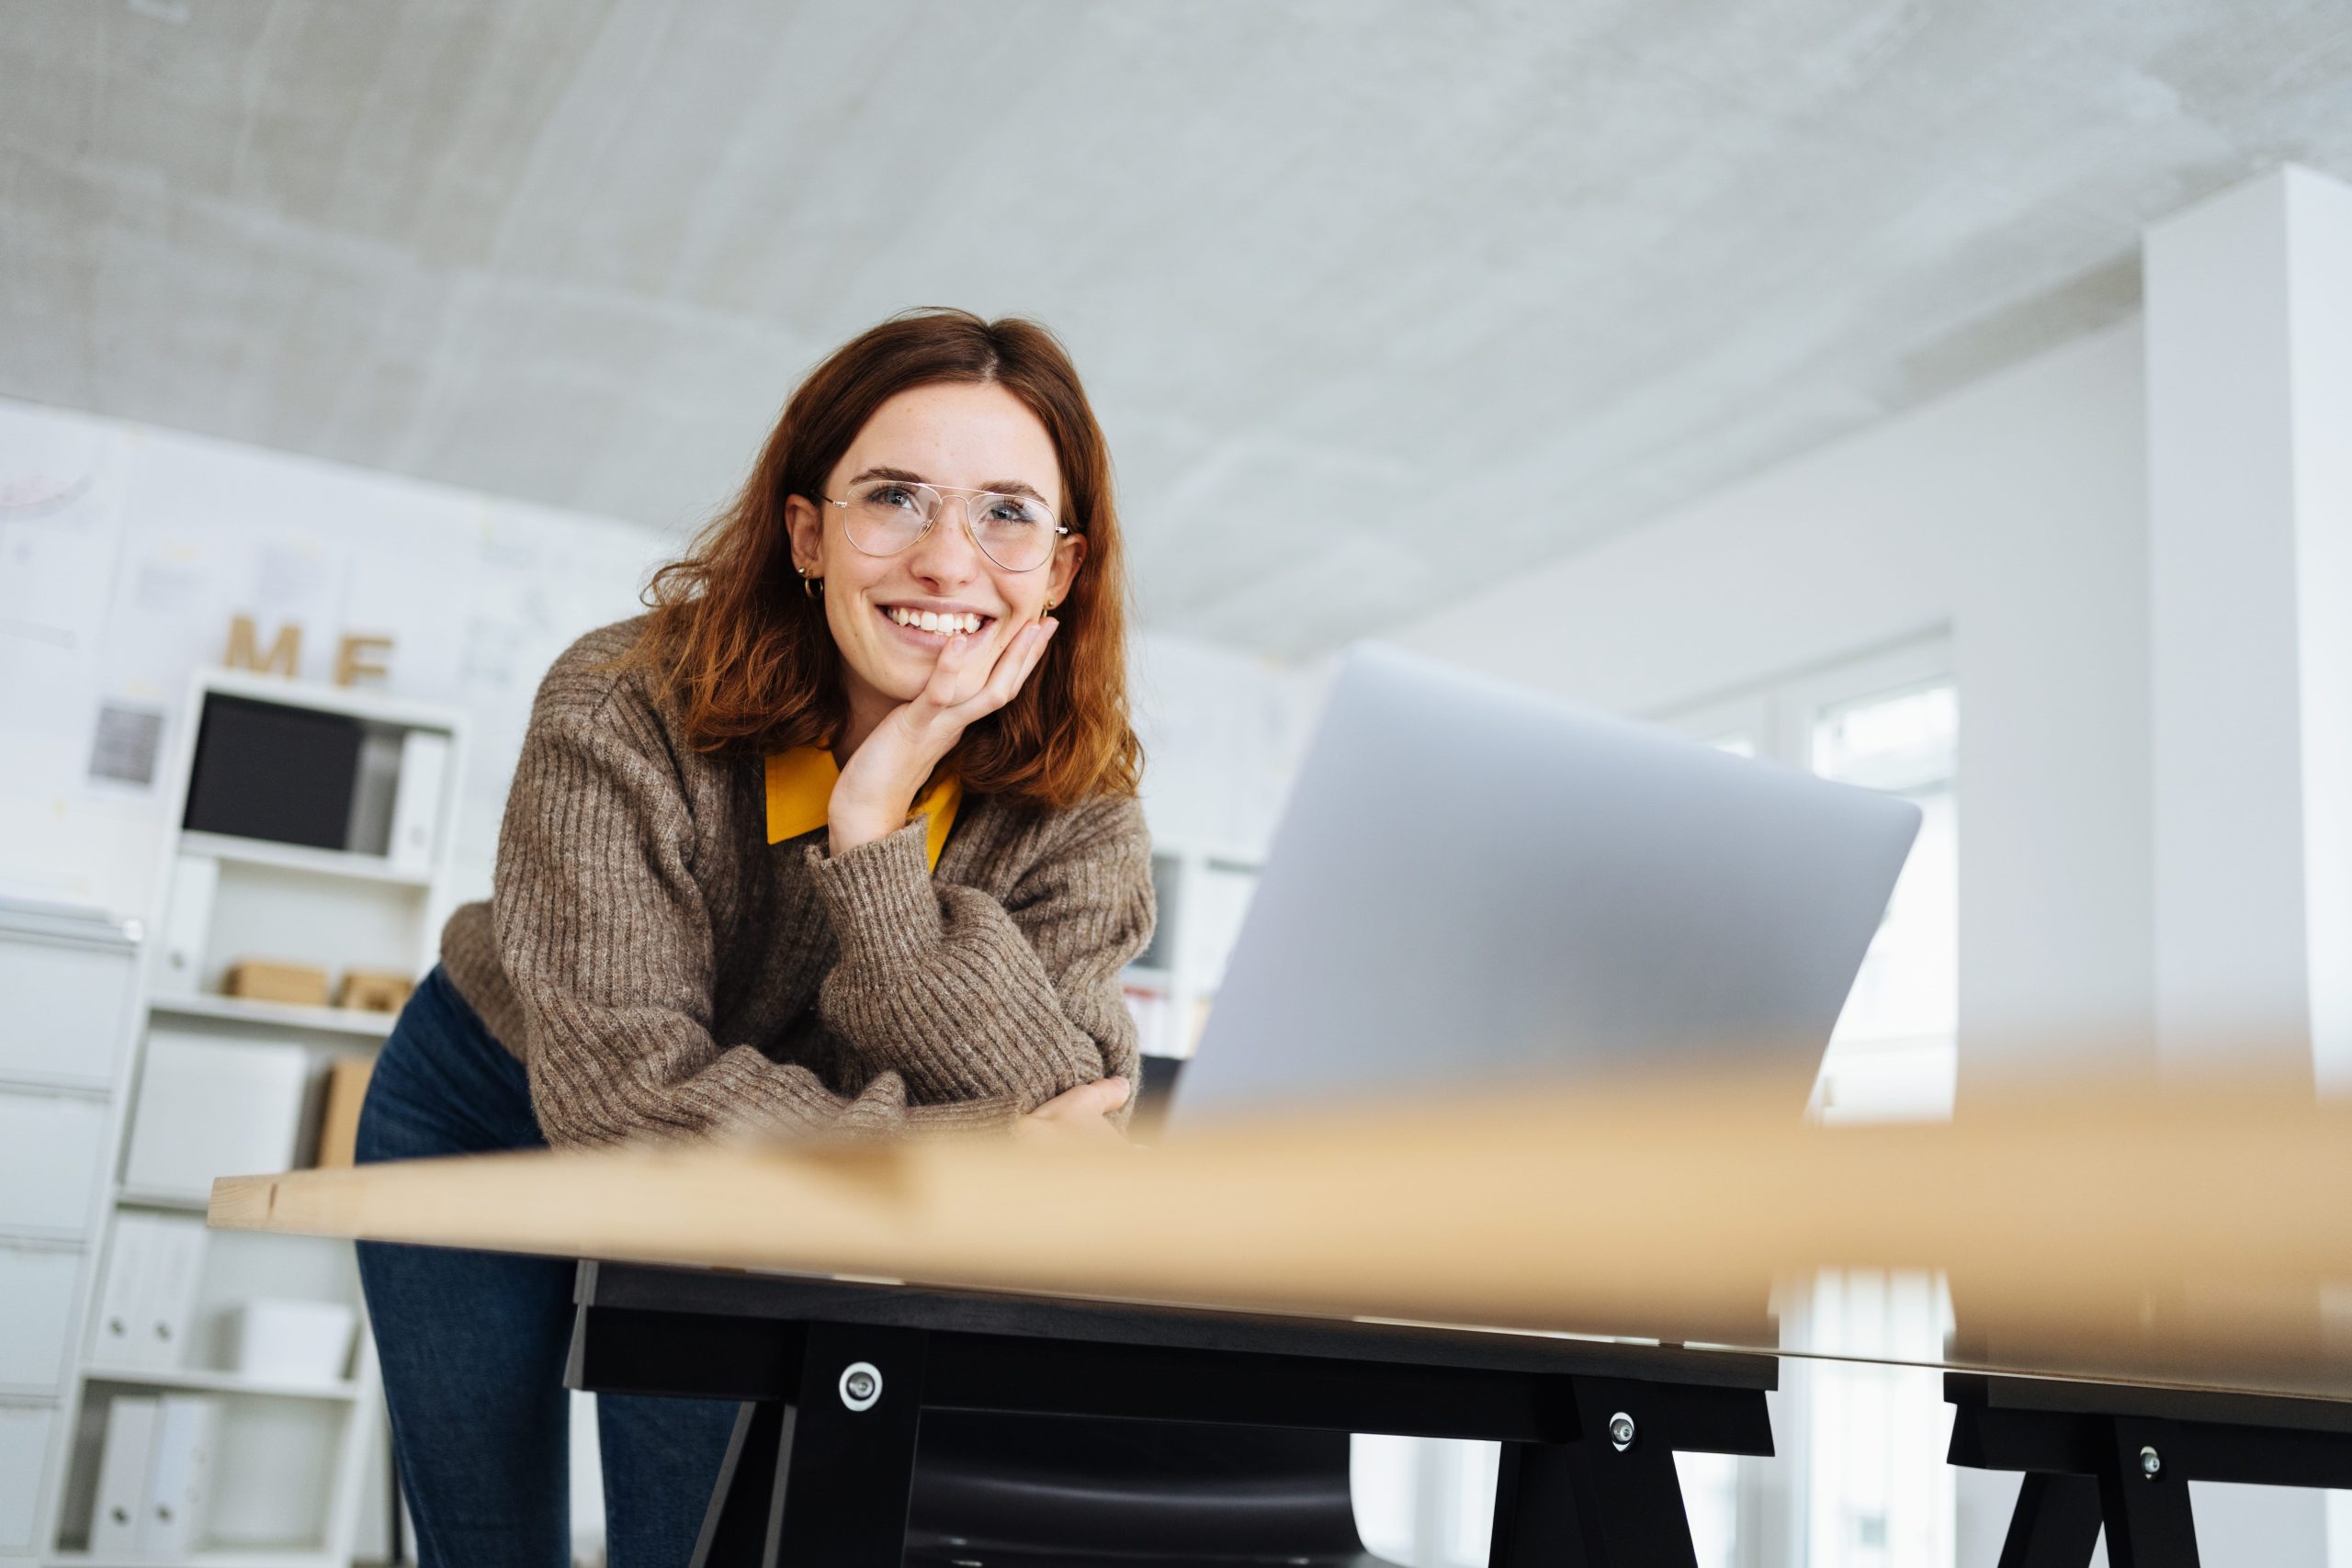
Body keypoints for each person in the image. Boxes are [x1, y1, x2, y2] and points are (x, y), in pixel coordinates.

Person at [354, 309, 1151, 1566]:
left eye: (1006, 512)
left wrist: (874, 824)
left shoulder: (1082, 801)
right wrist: (968, 1158)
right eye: (895, 496)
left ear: (1060, 569)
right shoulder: (623, 704)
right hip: (491, 1101)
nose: (950, 560)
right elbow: (621, 1097)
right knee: (492, 1543)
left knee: (701, 1545)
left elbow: (1061, 1109)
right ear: (807, 533)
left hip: (779, 1171)